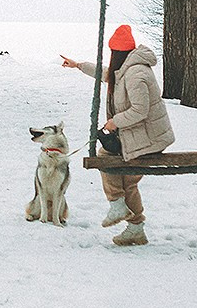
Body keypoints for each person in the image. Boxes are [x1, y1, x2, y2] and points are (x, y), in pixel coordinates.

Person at [60, 25, 174, 246]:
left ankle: (117, 205)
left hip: (150, 139)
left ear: (118, 54)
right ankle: (135, 228)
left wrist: (114, 122)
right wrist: (79, 66)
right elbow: (106, 74)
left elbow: (140, 110)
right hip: (145, 135)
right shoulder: (127, 69)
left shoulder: (136, 74)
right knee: (127, 181)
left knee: (105, 157)